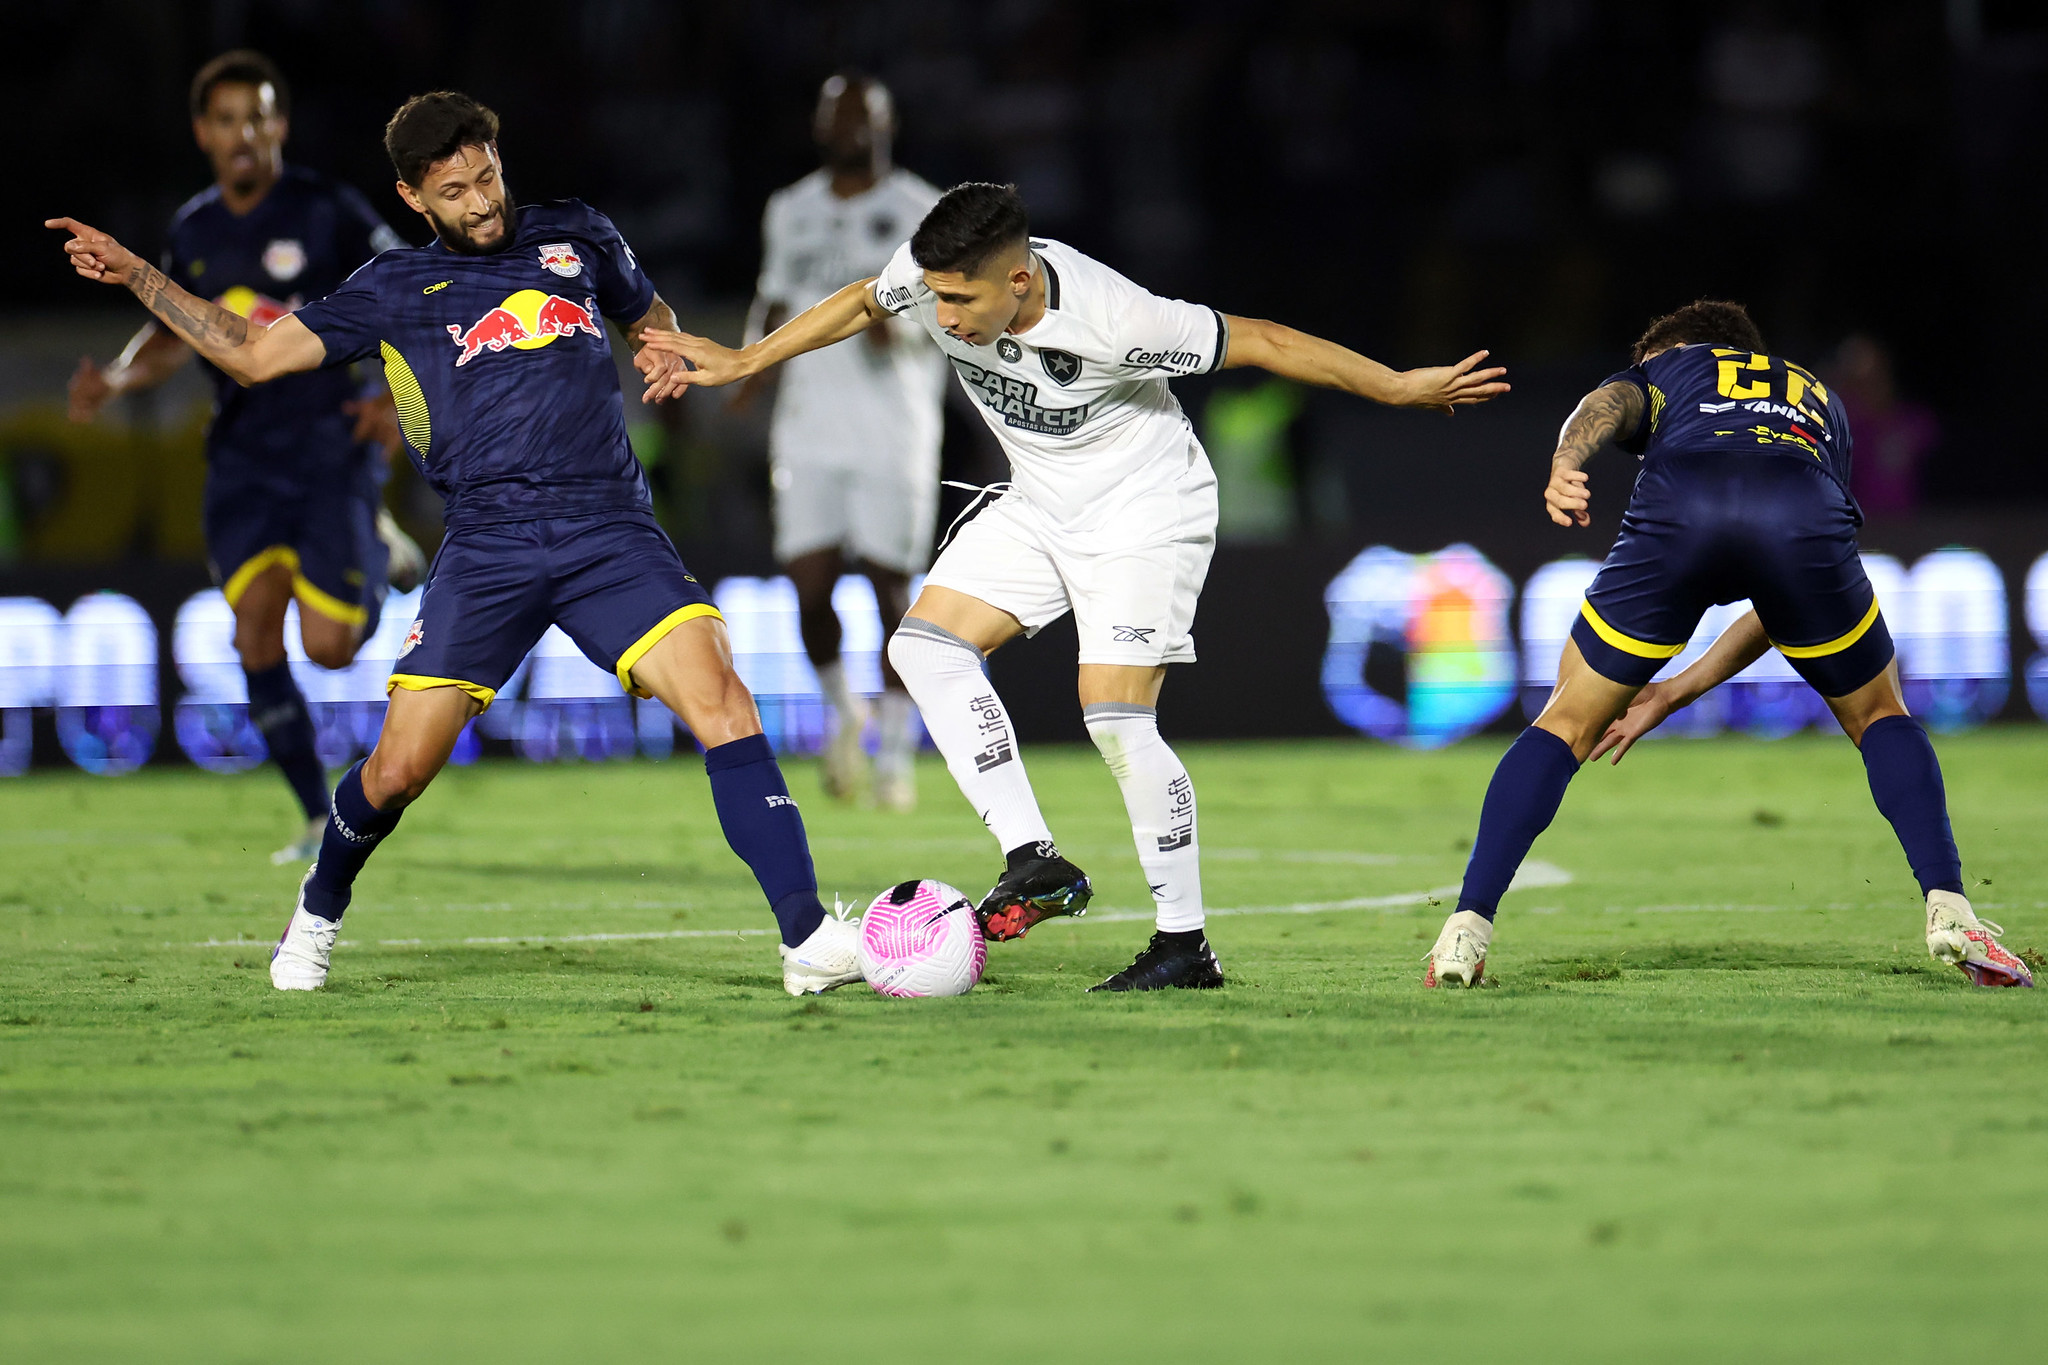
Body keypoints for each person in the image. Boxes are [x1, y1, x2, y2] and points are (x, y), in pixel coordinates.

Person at [49, 91, 858, 998]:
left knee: (724, 699)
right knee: (397, 770)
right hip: (487, 546)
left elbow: (644, 305)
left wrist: (658, 343)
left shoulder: (578, 235)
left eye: (488, 176)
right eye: (456, 191)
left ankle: (807, 936)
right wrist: (137, 278)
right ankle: (317, 908)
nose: (481, 202)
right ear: (412, 197)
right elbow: (251, 352)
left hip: (609, 527)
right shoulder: (391, 290)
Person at [639, 183, 1508, 991]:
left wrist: (1396, 385)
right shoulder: (930, 274)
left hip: (1144, 508)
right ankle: (1033, 858)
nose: (940, 316)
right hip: (1042, 501)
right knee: (922, 648)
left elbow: (1262, 340)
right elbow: (870, 298)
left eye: (960, 302)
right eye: (935, 296)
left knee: (1114, 715)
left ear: (1019, 280)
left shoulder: (1118, 318)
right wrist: (747, 359)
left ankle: (1184, 944)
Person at [1425, 300, 2029, 990]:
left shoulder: (1667, 368)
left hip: (1683, 502)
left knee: (1563, 722)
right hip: (1800, 506)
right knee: (1880, 712)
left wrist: (1566, 459)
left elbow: (1609, 401)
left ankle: (1466, 930)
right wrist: (1678, 689)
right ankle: (1951, 910)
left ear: (1672, 348)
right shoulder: (1821, 398)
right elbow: (1787, 597)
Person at [66, 50, 424, 866]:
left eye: (257, 117)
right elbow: (170, 335)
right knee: (255, 630)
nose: (243, 135)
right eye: (226, 120)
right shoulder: (192, 229)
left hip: (330, 443)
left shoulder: (326, 210)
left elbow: (410, 293)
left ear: (280, 126)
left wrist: (390, 397)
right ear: (203, 132)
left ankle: (378, 538)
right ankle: (312, 813)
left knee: (330, 646)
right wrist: (119, 379)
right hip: (243, 455)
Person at [738, 72, 944, 811]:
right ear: (821, 128)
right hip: (809, 424)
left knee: (894, 592)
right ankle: (841, 707)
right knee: (809, 581)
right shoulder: (789, 208)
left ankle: (893, 749)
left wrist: (907, 327)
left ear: (888, 125)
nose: (853, 129)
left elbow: (960, 315)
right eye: (839, 117)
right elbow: (772, 291)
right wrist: (748, 366)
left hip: (894, 426)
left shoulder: (925, 211)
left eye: (866, 117)